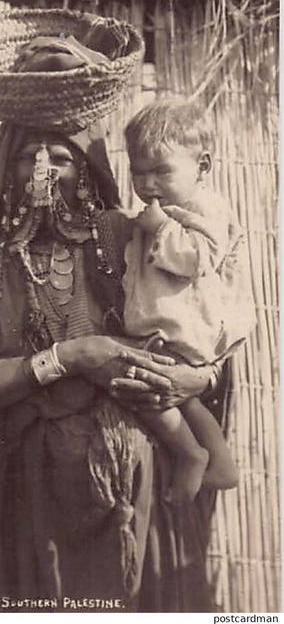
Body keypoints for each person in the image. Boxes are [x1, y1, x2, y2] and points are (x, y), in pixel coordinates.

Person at [0, 22, 237, 612]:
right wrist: (66, 357)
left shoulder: (131, 235)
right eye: (27, 155)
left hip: (136, 482)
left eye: (60, 154)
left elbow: (204, 321)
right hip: (27, 501)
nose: (44, 167)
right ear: (6, 170)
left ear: (86, 166)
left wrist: (201, 377)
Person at [122, 100, 256, 504]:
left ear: (203, 166)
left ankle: (190, 454)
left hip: (184, 329)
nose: (148, 185)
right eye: (138, 172)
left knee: (143, 387)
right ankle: (219, 460)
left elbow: (200, 257)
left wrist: (161, 226)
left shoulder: (206, 207)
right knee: (183, 397)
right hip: (171, 328)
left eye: (162, 171)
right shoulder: (169, 209)